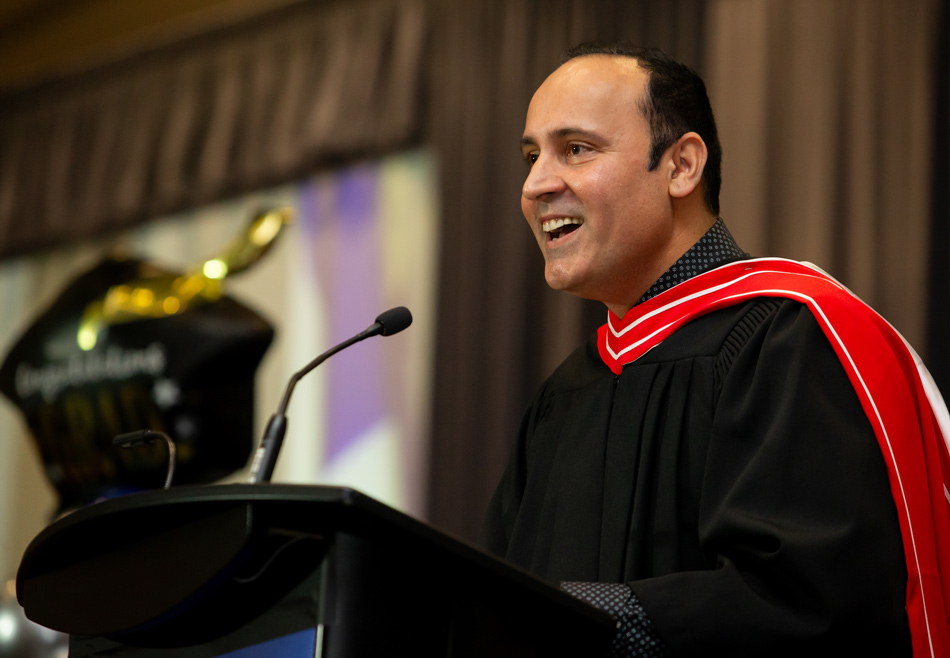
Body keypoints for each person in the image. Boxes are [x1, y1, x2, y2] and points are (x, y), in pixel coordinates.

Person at [480, 41, 950, 657]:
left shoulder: (791, 339)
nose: (536, 184)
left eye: (576, 149)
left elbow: (809, 603)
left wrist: (590, 622)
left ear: (681, 166)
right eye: (531, 156)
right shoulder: (565, 395)